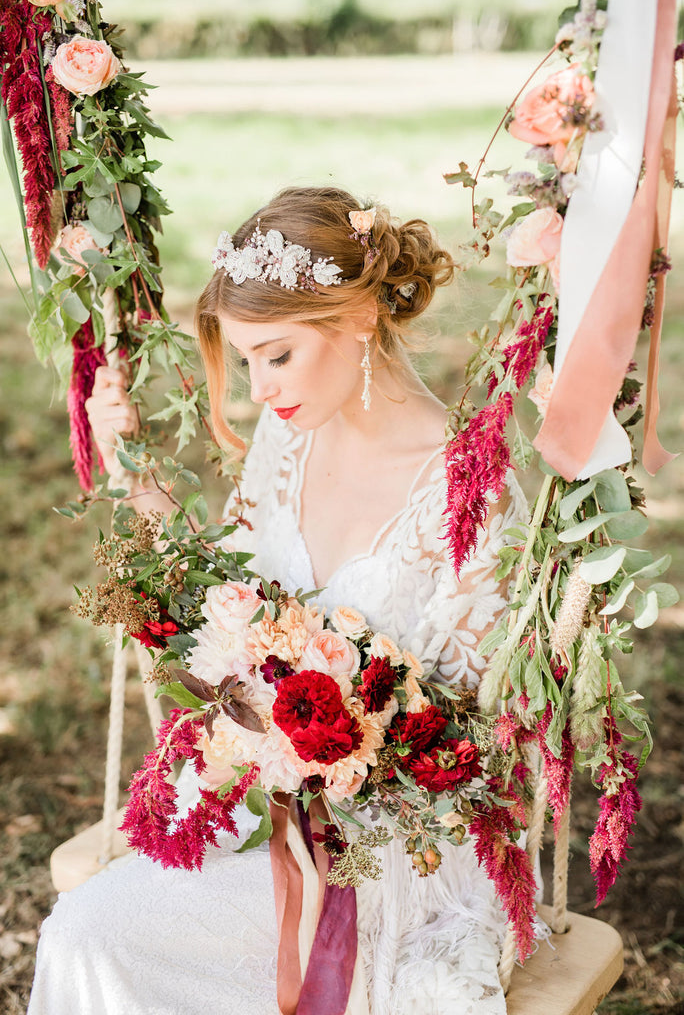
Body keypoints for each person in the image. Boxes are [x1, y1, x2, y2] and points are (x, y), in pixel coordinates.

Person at [28, 186, 529, 1015]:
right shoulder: (286, 439)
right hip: (259, 801)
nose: (258, 388)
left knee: (94, 937)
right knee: (85, 932)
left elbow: (472, 735)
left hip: (392, 850)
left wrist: (331, 737)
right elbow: (227, 602)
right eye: (246, 359)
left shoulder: (465, 487)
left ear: (360, 319)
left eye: (278, 354)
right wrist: (138, 478)